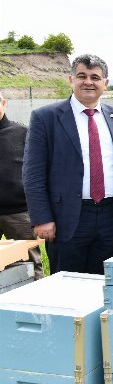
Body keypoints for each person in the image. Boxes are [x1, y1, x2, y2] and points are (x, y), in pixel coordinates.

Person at [23, 54, 113, 275]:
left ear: (105, 83)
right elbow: (33, 174)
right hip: (67, 217)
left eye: (95, 77)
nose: (88, 82)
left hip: (111, 216)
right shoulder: (45, 118)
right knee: (67, 284)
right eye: (82, 76)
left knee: (107, 283)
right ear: (70, 80)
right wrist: (42, 218)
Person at [0, 92, 44, 279]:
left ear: (3, 103)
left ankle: (35, 302)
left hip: (19, 213)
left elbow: (40, 171)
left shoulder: (22, 133)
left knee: (29, 265)